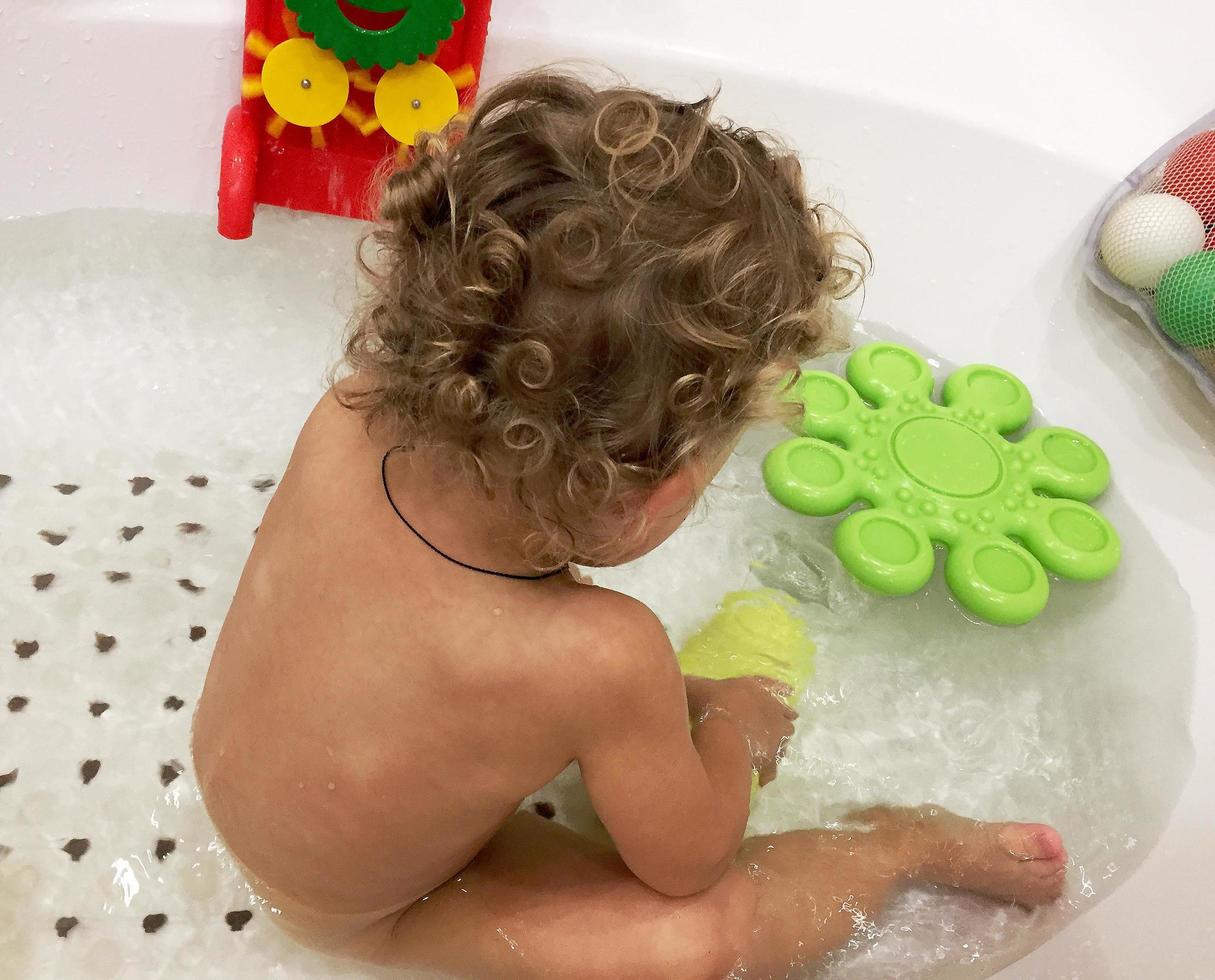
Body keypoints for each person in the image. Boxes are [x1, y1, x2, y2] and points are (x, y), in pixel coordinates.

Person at [192, 70, 1066, 979]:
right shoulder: (597, 655)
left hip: (252, 808)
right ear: (650, 498)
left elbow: (408, 660)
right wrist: (733, 721)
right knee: (696, 940)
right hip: (371, 914)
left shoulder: (348, 413)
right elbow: (688, 861)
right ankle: (896, 847)